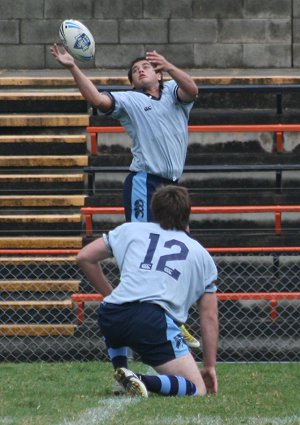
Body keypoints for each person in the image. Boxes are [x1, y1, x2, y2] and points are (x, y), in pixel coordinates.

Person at [50, 44, 200, 348]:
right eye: (135, 70)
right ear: (132, 82)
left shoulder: (173, 92)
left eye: (145, 66)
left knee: (182, 248)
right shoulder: (131, 100)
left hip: (172, 186)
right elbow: (96, 98)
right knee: (142, 250)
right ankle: (128, 307)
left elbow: (193, 89)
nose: (140, 70)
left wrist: (168, 65)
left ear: (158, 74)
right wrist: (72, 67)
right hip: (144, 182)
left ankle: (167, 316)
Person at [76, 185, 219, 397]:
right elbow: (209, 316)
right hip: (151, 321)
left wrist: (111, 296)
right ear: (188, 212)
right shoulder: (202, 255)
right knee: (196, 388)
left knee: (118, 322)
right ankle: (139, 379)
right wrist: (209, 367)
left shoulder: (130, 230)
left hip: (111, 313)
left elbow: (84, 257)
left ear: (154, 210)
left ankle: (121, 372)